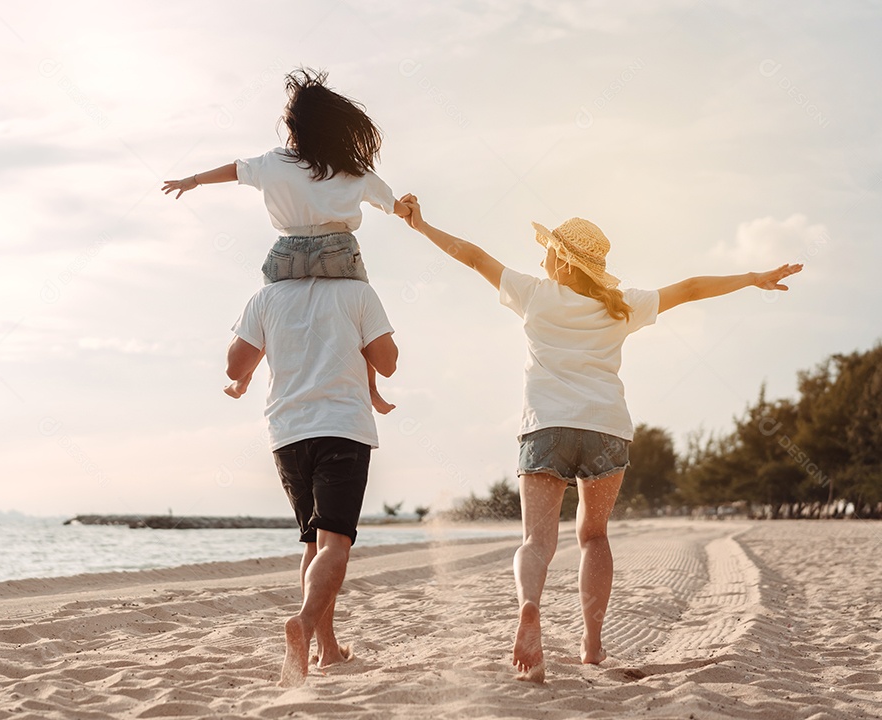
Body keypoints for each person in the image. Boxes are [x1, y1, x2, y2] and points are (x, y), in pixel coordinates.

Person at [398, 194, 801, 682]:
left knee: (536, 541)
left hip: (546, 427)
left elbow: (472, 254)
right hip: (606, 429)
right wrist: (753, 278)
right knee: (593, 536)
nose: (540, 257)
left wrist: (422, 225)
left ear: (563, 262)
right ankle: (592, 643)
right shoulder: (622, 305)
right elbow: (692, 287)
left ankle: (530, 607)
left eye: (547, 250)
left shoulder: (535, 295)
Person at [163, 67, 409, 414]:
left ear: (294, 127)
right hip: (337, 250)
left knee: (268, 314)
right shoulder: (350, 169)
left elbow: (234, 169)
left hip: (287, 252)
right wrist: (406, 209)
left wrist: (193, 180)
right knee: (363, 318)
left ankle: (243, 378)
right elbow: (391, 204)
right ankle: (372, 388)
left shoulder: (273, 162)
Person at [226, 274, 398, 687]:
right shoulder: (357, 291)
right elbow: (388, 363)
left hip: (287, 435)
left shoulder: (266, 297)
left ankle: (328, 650)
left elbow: (235, 365)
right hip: (341, 427)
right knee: (335, 542)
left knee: (313, 541)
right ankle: (303, 623)